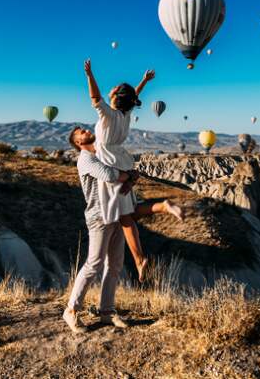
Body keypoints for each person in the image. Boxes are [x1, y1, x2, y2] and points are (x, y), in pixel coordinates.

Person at [83, 59, 184, 282]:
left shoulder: (108, 115)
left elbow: (95, 98)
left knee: (124, 217)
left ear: (116, 96)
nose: (111, 89)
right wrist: (143, 82)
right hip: (121, 160)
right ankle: (160, 210)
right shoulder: (125, 115)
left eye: (114, 88)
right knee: (127, 214)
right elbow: (132, 96)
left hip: (109, 162)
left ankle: (139, 258)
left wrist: (90, 75)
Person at [63, 126, 134, 334]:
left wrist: (128, 175)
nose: (86, 130)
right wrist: (127, 175)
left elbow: (124, 171)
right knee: (94, 264)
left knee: (115, 264)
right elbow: (110, 175)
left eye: (84, 129)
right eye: (80, 132)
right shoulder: (85, 159)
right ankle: (71, 310)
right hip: (98, 217)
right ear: (78, 142)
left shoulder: (103, 154)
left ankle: (106, 310)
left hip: (116, 213)